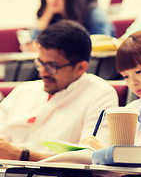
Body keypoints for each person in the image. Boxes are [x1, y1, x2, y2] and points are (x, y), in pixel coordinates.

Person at [0, 20, 118, 161]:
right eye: (40, 63)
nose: (43, 72)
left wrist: (22, 156)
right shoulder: (23, 91)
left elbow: (90, 159)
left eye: (52, 66)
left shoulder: (100, 94)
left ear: (80, 68)